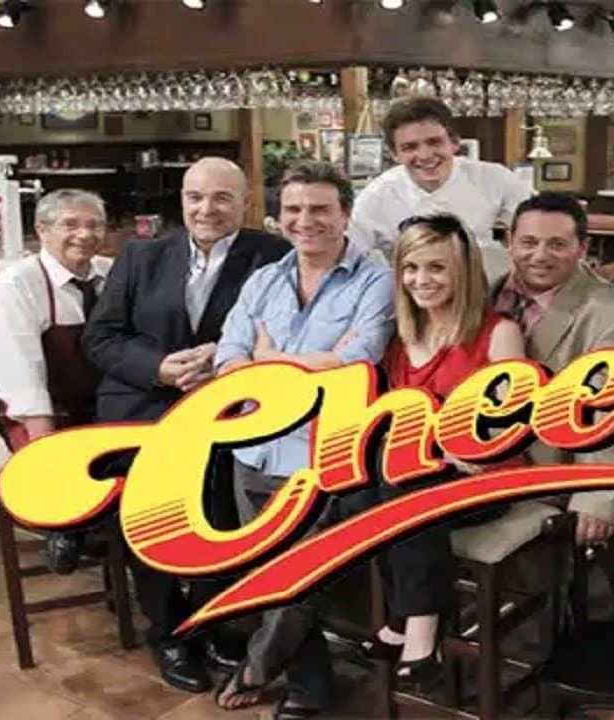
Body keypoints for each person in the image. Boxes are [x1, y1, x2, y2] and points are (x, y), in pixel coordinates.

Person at [81, 157, 291, 694]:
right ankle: (168, 632)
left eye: (222, 197)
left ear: (246, 203)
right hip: (141, 410)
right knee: (148, 515)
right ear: (181, 201)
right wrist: (158, 368)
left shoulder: (275, 257)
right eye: (195, 197)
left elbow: (289, 334)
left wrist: (225, 353)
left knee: (222, 515)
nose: (206, 209)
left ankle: (212, 624)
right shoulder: (140, 256)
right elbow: (100, 338)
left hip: (228, 412)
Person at [212, 161, 395, 719]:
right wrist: (302, 363)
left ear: (345, 214)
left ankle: (257, 666)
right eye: (293, 209)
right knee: (265, 570)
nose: (305, 220)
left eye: (319, 208)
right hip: (252, 449)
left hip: (321, 457)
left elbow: (355, 364)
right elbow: (227, 359)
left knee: (301, 576)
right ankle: (311, 684)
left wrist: (267, 360)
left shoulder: (377, 282)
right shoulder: (264, 280)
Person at [360, 213, 526, 690]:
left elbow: (512, 420)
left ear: (462, 272)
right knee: (371, 491)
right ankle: (413, 615)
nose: (421, 280)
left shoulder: (498, 332)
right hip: (421, 470)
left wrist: (448, 446)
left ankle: (419, 629)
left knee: (405, 487)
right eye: (411, 269)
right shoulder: (401, 338)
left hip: (485, 475)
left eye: (436, 267)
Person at [492, 192, 614, 546]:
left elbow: (612, 411)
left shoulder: (612, 314)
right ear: (510, 241)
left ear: (582, 247)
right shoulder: (485, 288)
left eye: (557, 244)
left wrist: (598, 497)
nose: (540, 255)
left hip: (545, 473)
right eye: (529, 242)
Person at [0, 188, 112, 575]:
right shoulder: (16, 285)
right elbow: (19, 371)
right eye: (70, 224)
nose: (84, 235)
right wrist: (46, 444)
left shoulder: (112, 272)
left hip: (108, 407)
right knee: (66, 473)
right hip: (50, 413)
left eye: (94, 225)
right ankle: (65, 527)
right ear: (42, 229)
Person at [347, 96, 533, 277]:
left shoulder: (494, 178)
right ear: (394, 155)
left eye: (434, 142)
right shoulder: (376, 197)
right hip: (419, 293)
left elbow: (536, 219)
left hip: (493, 289)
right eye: (410, 147)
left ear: (454, 142)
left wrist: (501, 234)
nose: (425, 155)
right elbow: (350, 257)